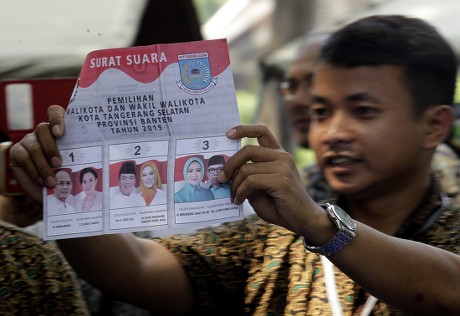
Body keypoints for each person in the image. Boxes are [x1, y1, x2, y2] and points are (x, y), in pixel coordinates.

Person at [9, 15, 460, 315]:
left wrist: (322, 228)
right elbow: (141, 270)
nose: (335, 132)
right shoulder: (274, 235)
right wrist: (64, 195)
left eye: (363, 111)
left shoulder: (307, 223)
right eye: (321, 112)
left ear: (434, 126)